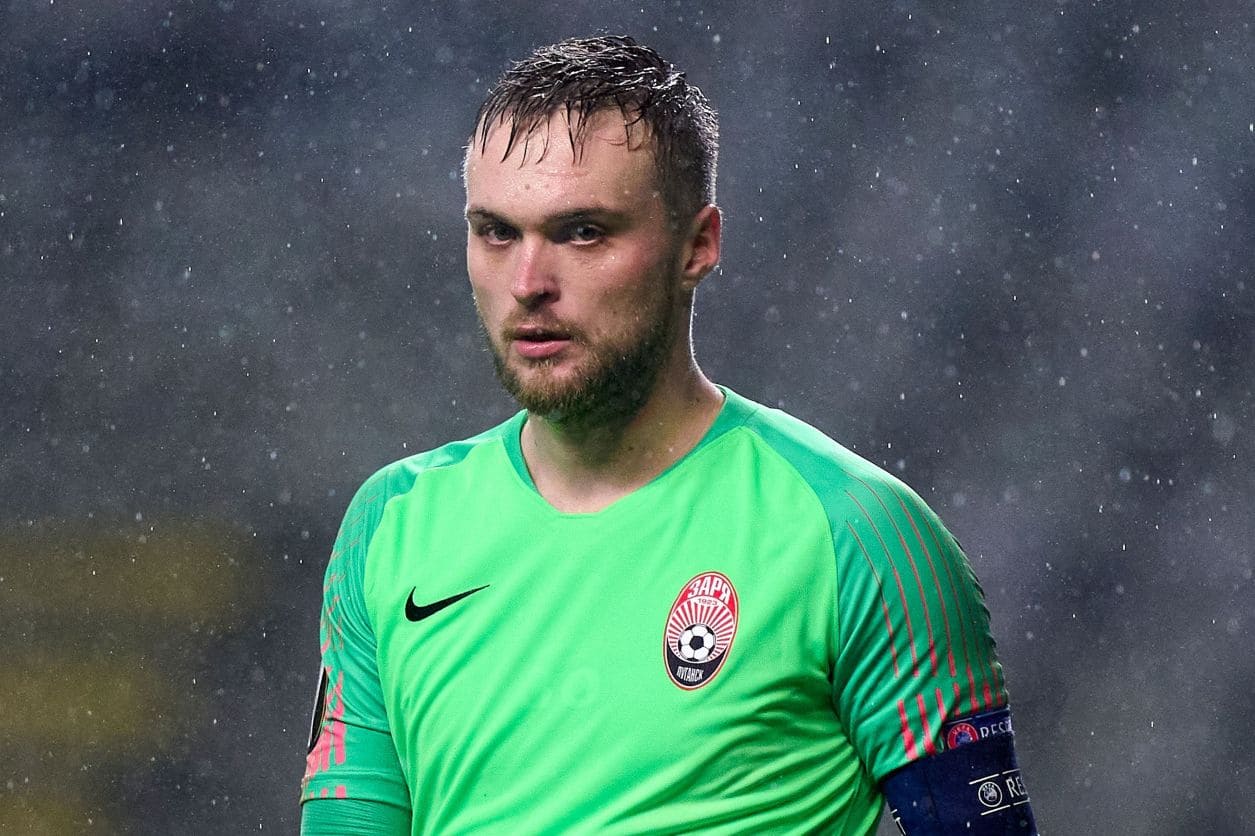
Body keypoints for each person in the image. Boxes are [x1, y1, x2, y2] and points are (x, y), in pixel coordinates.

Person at [300, 35, 1037, 835]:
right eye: (497, 232)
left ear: (698, 246)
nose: (528, 283)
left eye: (583, 232)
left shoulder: (856, 532)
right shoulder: (391, 526)